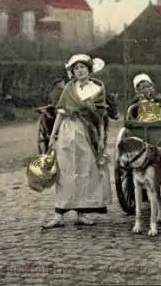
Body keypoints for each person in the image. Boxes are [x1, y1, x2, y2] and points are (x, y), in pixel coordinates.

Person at [42, 54, 112, 229]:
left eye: (82, 67)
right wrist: (53, 135)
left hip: (88, 133)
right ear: (72, 72)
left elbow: (101, 117)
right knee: (64, 172)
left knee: (85, 171)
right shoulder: (69, 89)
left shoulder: (97, 89)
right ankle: (59, 214)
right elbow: (61, 112)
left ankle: (82, 213)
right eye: (76, 68)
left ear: (89, 69)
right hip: (68, 132)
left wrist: (102, 138)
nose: (79, 71)